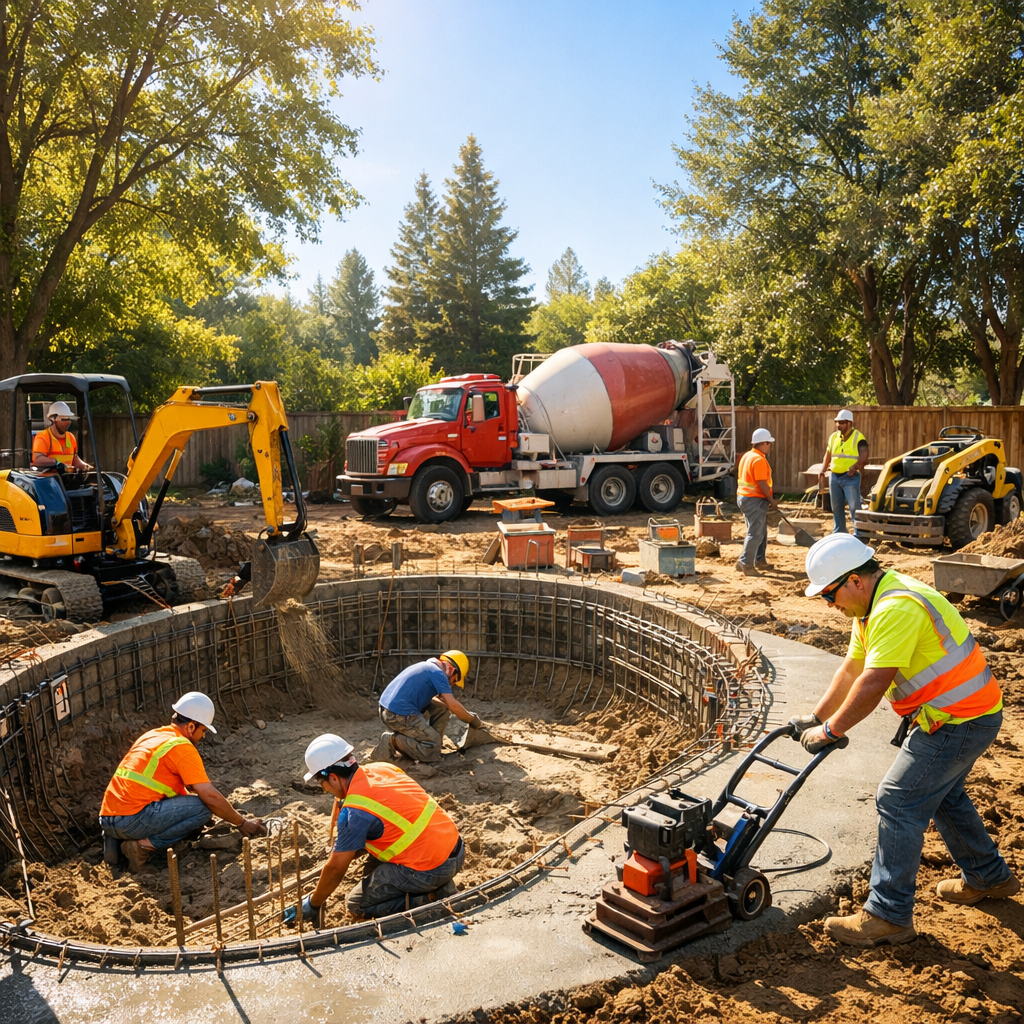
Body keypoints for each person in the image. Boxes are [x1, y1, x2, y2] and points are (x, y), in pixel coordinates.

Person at [792, 534, 1018, 947]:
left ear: (855, 580)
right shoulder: (871, 606)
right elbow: (852, 668)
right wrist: (817, 717)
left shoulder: (895, 608)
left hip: (960, 719)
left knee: (897, 800)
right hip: (962, 714)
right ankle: (989, 876)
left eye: (828, 594)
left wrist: (831, 731)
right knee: (942, 796)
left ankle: (889, 915)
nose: (828, 604)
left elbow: (873, 684)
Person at [288, 733, 464, 924]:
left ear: (333, 777)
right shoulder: (382, 768)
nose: (326, 790)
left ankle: (432, 897)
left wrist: (314, 903)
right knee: (372, 859)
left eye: (322, 784)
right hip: (456, 848)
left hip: (433, 869)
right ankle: (432, 885)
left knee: (357, 905)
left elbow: (336, 868)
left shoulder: (354, 813)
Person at [99, 691, 267, 871]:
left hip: (107, 819)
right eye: (203, 730)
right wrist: (241, 822)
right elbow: (209, 796)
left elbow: (167, 789)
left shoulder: (153, 736)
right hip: (132, 821)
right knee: (203, 808)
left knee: (193, 808)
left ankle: (114, 845)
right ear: (191, 726)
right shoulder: (182, 747)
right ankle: (141, 847)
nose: (203, 736)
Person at [372, 651, 484, 763]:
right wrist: (473, 720)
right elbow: (453, 705)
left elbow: (443, 702)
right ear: (452, 670)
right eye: (454, 681)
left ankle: (432, 742)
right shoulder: (438, 673)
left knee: (442, 708)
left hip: (386, 709)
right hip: (397, 716)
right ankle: (393, 741)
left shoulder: (427, 667)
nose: (451, 685)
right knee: (431, 751)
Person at [735, 427, 778, 576]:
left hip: (744, 498)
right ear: (763, 443)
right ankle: (746, 563)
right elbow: (761, 483)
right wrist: (771, 500)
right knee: (755, 533)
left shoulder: (747, 456)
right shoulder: (759, 460)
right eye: (769, 443)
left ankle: (759, 559)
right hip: (755, 500)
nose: (770, 446)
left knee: (761, 531)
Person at [819, 409, 868, 535]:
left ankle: (860, 534)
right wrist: (823, 469)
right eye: (837, 422)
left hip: (850, 477)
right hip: (834, 476)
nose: (838, 425)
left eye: (841, 423)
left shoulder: (858, 437)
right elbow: (828, 454)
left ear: (849, 423)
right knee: (836, 507)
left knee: (854, 507)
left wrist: (856, 466)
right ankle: (839, 532)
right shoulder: (833, 437)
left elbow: (864, 454)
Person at [32, 401, 92, 472]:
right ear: (53, 419)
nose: (68, 422)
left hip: (67, 477)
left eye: (68, 418)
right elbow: (37, 460)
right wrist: (57, 463)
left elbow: (74, 458)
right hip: (49, 478)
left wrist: (88, 467)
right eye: (64, 419)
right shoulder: (43, 437)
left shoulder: (70, 437)